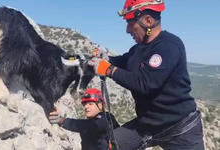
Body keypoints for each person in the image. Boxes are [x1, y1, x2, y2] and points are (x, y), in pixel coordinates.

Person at [87, 0, 205, 150]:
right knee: (106, 145)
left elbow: (144, 83)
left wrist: (109, 70)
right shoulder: (138, 49)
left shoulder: (169, 46)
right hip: (148, 125)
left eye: (130, 23)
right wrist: (105, 59)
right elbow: (123, 61)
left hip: (180, 128)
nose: (127, 30)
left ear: (148, 21)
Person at [48, 88, 120, 150]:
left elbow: (89, 125)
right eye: (84, 104)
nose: (86, 107)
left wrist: (62, 121)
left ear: (100, 105)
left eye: (90, 104)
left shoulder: (107, 118)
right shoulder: (88, 124)